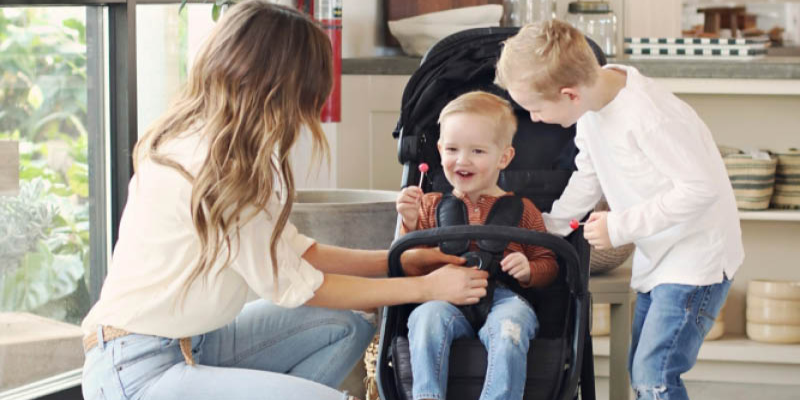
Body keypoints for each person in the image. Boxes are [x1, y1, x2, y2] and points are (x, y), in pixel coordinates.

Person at [79, 3, 490, 400]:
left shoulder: (230, 149)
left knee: (344, 326)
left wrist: (396, 260)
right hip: (136, 367)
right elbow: (299, 288)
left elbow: (296, 252)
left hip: (196, 341)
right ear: (281, 87)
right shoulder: (212, 165)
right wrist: (422, 287)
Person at [494, 20, 745, 400]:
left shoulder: (648, 117)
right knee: (641, 370)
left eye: (535, 108)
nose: (533, 119)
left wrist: (620, 226)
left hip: (696, 259)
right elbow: (588, 174)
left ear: (569, 95)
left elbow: (701, 188)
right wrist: (547, 228)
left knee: (654, 375)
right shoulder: (594, 103)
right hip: (660, 253)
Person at [395, 91, 559, 400]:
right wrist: (411, 224)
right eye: (453, 149)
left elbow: (549, 264)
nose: (462, 160)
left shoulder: (524, 210)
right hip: (443, 297)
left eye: (477, 151)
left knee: (511, 327)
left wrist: (529, 270)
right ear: (440, 150)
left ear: (504, 157)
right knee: (425, 318)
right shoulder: (429, 206)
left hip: (505, 297)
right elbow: (407, 262)